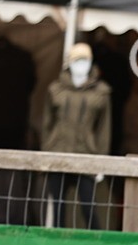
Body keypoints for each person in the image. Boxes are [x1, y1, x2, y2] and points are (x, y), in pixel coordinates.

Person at [42, 43, 112, 228]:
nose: (81, 65)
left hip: (86, 154)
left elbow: (104, 130)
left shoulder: (101, 92)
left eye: (85, 60)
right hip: (58, 152)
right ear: (69, 63)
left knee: (88, 208)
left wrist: (101, 161)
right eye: (77, 61)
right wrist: (45, 152)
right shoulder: (55, 89)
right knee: (57, 207)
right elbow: (46, 124)